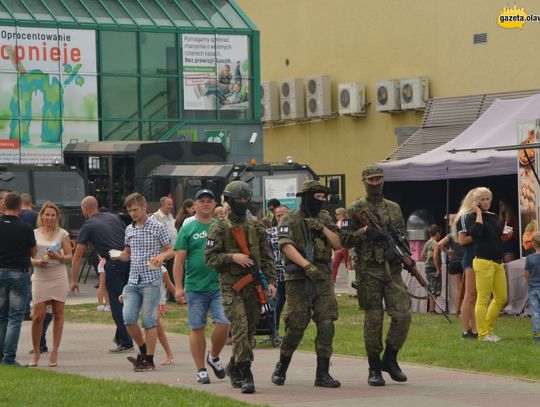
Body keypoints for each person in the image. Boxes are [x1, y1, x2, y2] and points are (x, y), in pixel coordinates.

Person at [341, 164, 411, 387]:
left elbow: (402, 236)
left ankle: (389, 359)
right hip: (368, 270)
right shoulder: (355, 209)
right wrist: (363, 232)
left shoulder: (393, 208)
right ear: (364, 181)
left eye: (378, 179)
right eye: (371, 180)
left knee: (403, 315)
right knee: (374, 319)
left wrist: (402, 254)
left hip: (392, 269)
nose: (375, 183)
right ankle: (374, 368)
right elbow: (343, 240)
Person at [205, 181, 276, 394]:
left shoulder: (256, 227)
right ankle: (246, 372)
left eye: (246, 199)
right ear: (228, 200)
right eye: (238, 200)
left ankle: (234, 364)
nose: (243, 203)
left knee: (250, 330)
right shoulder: (218, 227)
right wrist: (232, 257)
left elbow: (267, 256)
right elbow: (210, 258)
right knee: (240, 327)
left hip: (254, 286)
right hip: (231, 286)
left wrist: (271, 281)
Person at [271, 181, 341, 388]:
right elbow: (285, 245)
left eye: (323, 198)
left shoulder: (325, 218)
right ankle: (282, 366)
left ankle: (323, 372)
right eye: (317, 197)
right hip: (299, 278)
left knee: (327, 323)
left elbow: (338, 243)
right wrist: (306, 265)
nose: (320, 201)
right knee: (296, 325)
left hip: (322, 277)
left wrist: (322, 228)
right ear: (307, 197)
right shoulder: (289, 218)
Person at [174, 189, 230, 384]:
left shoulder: (221, 226)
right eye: (201, 201)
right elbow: (179, 260)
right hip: (195, 287)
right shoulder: (187, 228)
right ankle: (201, 369)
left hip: (219, 286)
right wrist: (178, 287)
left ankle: (213, 356)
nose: (205, 204)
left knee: (224, 322)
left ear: (214, 205)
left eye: (209, 201)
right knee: (197, 327)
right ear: (194, 205)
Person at [114, 193, 174, 372]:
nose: (132, 213)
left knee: (149, 321)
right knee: (128, 319)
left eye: (135, 209)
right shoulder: (129, 229)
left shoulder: (157, 227)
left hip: (151, 280)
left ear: (144, 207)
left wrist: (162, 256)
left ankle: (149, 360)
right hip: (133, 280)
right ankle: (143, 350)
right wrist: (116, 255)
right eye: (129, 210)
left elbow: (171, 251)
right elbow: (127, 253)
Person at [71, 196, 134, 353]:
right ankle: (120, 336)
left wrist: (74, 280)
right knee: (127, 300)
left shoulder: (88, 225)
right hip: (128, 260)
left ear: (84, 209)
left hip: (113, 263)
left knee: (116, 303)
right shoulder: (114, 217)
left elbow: (78, 255)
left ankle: (126, 341)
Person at [28, 202, 72, 367]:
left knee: (58, 314)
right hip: (40, 275)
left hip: (58, 275)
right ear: (41, 216)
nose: (50, 218)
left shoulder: (63, 234)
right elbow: (29, 257)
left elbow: (70, 256)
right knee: (38, 316)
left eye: (53, 215)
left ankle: (54, 351)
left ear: (57, 217)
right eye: (47, 214)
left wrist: (59, 257)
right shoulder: (33, 233)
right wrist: (36, 262)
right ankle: (37, 350)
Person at [465, 187, 507, 342]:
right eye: (481, 199)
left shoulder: (494, 216)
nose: (485, 202)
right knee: (483, 299)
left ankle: (488, 329)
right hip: (483, 261)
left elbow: (495, 237)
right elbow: (476, 233)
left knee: (501, 298)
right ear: (476, 202)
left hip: (497, 261)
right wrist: (478, 213)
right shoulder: (471, 217)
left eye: (487, 198)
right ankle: (482, 334)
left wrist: (504, 237)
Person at [0, 192, 37, 365]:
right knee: (15, 318)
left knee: (2, 317)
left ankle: (1, 355)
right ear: (20, 208)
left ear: (3, 206)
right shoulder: (25, 228)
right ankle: (9, 357)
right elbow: (33, 251)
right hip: (18, 273)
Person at [435, 214, 464, 314]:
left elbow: (439, 244)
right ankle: (466, 309)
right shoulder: (465, 234)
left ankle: (459, 310)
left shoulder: (451, 235)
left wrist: (447, 252)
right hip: (465, 261)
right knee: (466, 288)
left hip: (454, 261)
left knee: (457, 287)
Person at [265, 206, 288, 332]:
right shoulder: (270, 232)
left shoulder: (294, 231)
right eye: (278, 215)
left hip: (292, 272)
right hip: (277, 273)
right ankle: (274, 330)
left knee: (293, 305)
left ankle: (290, 331)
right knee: (277, 303)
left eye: (283, 214)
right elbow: (266, 253)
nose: (281, 217)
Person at [151, 196, 178, 297]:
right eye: (169, 204)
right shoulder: (155, 217)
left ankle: (172, 295)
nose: (171, 206)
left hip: (173, 250)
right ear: (162, 205)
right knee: (166, 275)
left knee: (172, 274)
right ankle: (169, 295)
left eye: (171, 204)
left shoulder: (170, 216)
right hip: (164, 252)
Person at [421, 224, 442, 313]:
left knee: (430, 287)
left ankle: (431, 309)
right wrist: (438, 269)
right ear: (437, 233)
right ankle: (432, 310)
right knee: (434, 289)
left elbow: (421, 256)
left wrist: (426, 262)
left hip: (427, 268)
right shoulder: (435, 244)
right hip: (433, 268)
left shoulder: (427, 243)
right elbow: (435, 257)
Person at [525, 232, 540, 342]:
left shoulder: (529, 258)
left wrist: (529, 283)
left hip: (534, 288)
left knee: (535, 311)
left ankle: (537, 333)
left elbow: (526, 274)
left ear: (533, 244)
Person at [331, 207, 349, 283]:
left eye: (337, 214)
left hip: (345, 247)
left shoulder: (346, 222)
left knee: (347, 265)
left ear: (342, 214)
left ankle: (351, 282)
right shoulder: (338, 222)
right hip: (339, 247)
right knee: (334, 264)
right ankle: (332, 282)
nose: (335, 215)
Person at [499, 198, 520, 262]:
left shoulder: (512, 219)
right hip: (502, 246)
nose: (500, 207)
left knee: (509, 267)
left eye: (502, 205)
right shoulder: (501, 220)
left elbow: (517, 233)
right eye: (499, 205)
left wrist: (511, 234)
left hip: (510, 247)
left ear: (507, 205)